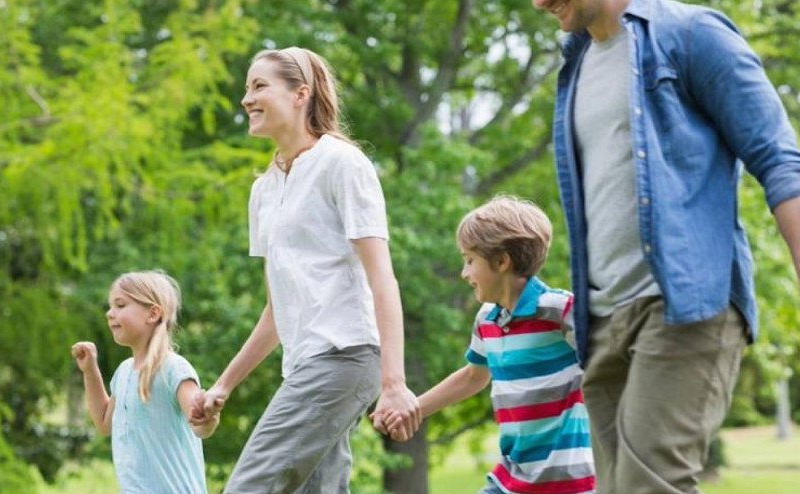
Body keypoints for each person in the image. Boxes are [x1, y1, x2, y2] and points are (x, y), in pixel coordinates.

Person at [530, 0, 800, 493]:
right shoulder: (577, 63)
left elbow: (781, 161)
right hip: (603, 319)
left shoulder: (692, 35)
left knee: (650, 485)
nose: (538, 2)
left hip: (687, 305)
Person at [188, 46, 421, 493]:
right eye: (246, 88)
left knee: (250, 485)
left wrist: (394, 382)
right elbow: (278, 312)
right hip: (302, 364)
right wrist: (224, 386)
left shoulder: (341, 163)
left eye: (259, 86)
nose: (246, 99)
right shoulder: (263, 189)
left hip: (345, 354)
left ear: (300, 94)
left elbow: (381, 278)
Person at [380, 196, 596, 494]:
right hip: (512, 477)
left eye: (470, 260)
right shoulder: (488, 319)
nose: (464, 273)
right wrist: (413, 409)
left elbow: (605, 362)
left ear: (501, 261)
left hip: (567, 479)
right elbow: (473, 377)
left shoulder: (559, 311)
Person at [71, 270, 218, 494]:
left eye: (120, 305)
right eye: (110, 306)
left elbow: (199, 422)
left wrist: (207, 415)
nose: (110, 313)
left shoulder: (173, 369)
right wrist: (90, 371)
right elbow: (103, 423)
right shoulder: (123, 373)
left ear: (153, 313)